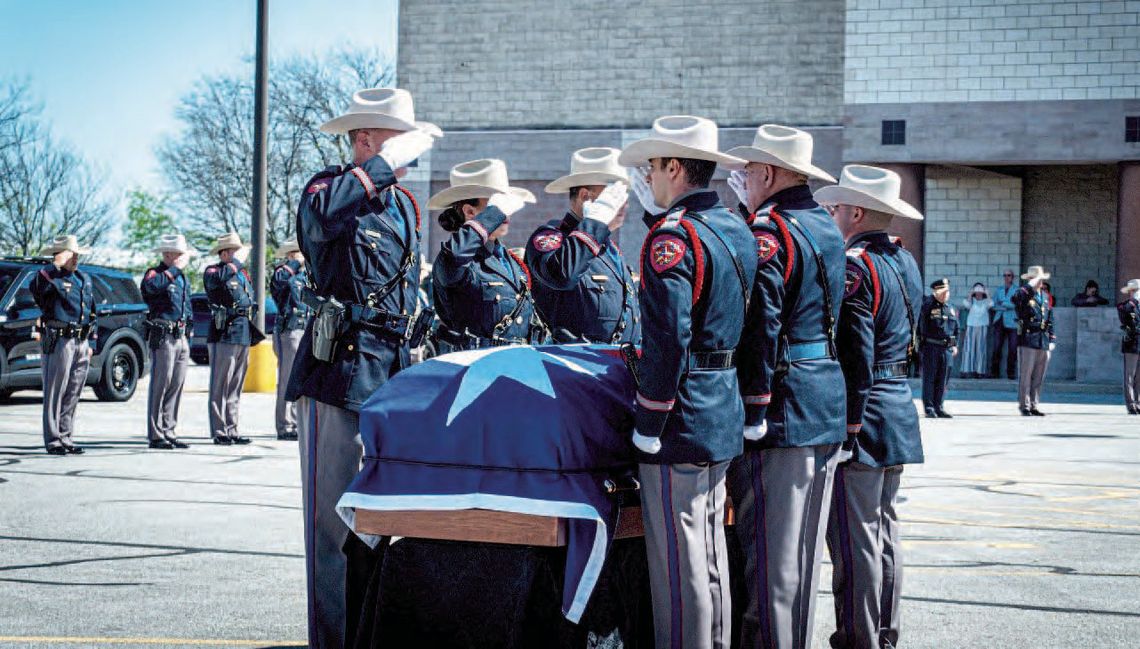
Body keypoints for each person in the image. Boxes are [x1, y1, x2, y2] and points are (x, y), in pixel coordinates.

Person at [287, 87, 439, 649]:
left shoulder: (403, 206)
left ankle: (368, 635)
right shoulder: (328, 189)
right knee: (331, 526)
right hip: (339, 370)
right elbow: (318, 222)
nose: (410, 152)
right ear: (368, 140)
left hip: (390, 375)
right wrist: (378, 168)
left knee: (377, 523)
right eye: (400, 141)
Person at [620, 115, 758, 649]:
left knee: (679, 564)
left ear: (675, 167)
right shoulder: (735, 227)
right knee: (709, 553)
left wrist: (649, 418)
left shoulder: (672, 237)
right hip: (722, 403)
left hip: (681, 412)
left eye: (654, 166)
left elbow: (668, 339)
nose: (649, 177)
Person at [722, 124, 846, 649]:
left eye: (750, 172)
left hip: (783, 406)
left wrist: (753, 408)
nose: (745, 179)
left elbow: (762, 327)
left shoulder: (769, 231)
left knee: (771, 565)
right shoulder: (823, 223)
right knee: (800, 559)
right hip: (823, 398)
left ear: (769, 174)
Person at [816, 165, 925, 649]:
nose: (832, 214)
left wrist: (849, 425)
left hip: (866, 409)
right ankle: (884, 634)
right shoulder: (905, 260)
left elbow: (856, 355)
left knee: (855, 538)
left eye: (837, 207)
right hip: (897, 402)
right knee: (883, 532)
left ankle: (859, 638)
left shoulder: (855, 266)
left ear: (856, 213)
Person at [526, 147, 640, 345]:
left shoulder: (609, 249)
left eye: (624, 196)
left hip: (617, 359)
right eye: (614, 195)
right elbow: (563, 275)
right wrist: (595, 222)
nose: (624, 204)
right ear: (586, 196)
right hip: (571, 359)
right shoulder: (551, 238)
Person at [427, 159, 541, 353]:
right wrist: (490, 217)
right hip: (472, 364)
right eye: (496, 206)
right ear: (470, 211)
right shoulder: (458, 258)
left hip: (515, 361)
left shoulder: (510, 261)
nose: (504, 214)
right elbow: (455, 257)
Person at [31, 235, 97, 456]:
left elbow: (92, 311)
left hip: (81, 341)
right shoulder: (49, 277)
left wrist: (91, 341)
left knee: (73, 390)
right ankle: (53, 440)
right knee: (55, 391)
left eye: (77, 254)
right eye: (71, 254)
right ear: (60, 255)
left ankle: (66, 436)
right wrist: (55, 265)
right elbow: (36, 288)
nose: (76, 258)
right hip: (60, 341)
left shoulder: (83, 278)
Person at [140, 234, 195, 450]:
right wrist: (174, 270)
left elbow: (186, 305)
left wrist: (188, 329)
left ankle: (169, 429)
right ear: (168, 254)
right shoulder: (156, 274)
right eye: (179, 254)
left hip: (180, 336)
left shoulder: (181, 278)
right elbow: (150, 289)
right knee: (160, 384)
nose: (182, 258)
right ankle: (156, 434)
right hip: (164, 336)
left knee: (176, 385)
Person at [203, 232, 256, 446]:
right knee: (220, 384)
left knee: (235, 385)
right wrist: (235, 264)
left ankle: (232, 429)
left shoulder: (242, 274)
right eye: (234, 252)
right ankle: (219, 430)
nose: (238, 256)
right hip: (224, 332)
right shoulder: (213, 271)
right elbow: (216, 282)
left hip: (243, 332)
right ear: (224, 254)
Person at [269, 239, 310, 441]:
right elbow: (278, 284)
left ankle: (295, 423)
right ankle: (284, 425)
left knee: (300, 379)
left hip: (304, 329)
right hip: (290, 330)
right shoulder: (283, 273)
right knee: (286, 379)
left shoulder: (304, 276)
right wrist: (293, 263)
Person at [1011, 266, 1056, 416]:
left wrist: (1051, 337)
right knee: (1026, 375)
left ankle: (1034, 404)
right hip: (1028, 338)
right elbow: (1015, 298)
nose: (1040, 282)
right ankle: (1025, 405)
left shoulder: (1045, 296)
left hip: (1042, 339)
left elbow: (1050, 318)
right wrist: (1030, 286)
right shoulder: (1023, 294)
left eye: (1041, 279)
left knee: (1038, 376)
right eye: (1038, 279)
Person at [919, 278, 958, 418]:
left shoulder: (950, 308)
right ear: (936, 292)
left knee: (943, 379)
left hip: (946, 349)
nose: (946, 294)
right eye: (943, 292)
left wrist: (953, 345)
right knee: (930, 379)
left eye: (947, 292)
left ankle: (939, 406)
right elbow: (921, 327)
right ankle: (929, 408)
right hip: (931, 347)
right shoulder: (928, 305)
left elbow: (955, 329)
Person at [959, 283, 992, 378]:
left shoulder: (985, 302)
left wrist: (987, 293)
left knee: (980, 349)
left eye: (980, 291)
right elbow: (966, 304)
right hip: (971, 325)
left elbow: (991, 304)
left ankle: (979, 371)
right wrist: (971, 294)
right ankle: (966, 370)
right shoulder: (972, 301)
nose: (978, 293)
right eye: (976, 291)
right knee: (968, 349)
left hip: (982, 326)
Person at [990, 268, 1019, 379]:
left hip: (1013, 322)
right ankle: (994, 372)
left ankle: (1010, 372)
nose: (1006, 277)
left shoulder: (1017, 290)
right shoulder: (999, 290)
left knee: (1012, 348)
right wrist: (1006, 305)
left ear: (1013, 277)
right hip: (999, 320)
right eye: (1005, 275)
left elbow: (1016, 305)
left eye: (1009, 275)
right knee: (996, 347)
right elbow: (993, 305)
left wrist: (1003, 304)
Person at [1118, 279, 1140, 414]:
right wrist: (1134, 302)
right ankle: (1131, 404)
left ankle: (1138, 402)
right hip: (1132, 343)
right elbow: (1126, 319)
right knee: (1130, 376)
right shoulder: (1126, 306)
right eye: (1135, 290)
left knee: (1139, 377)